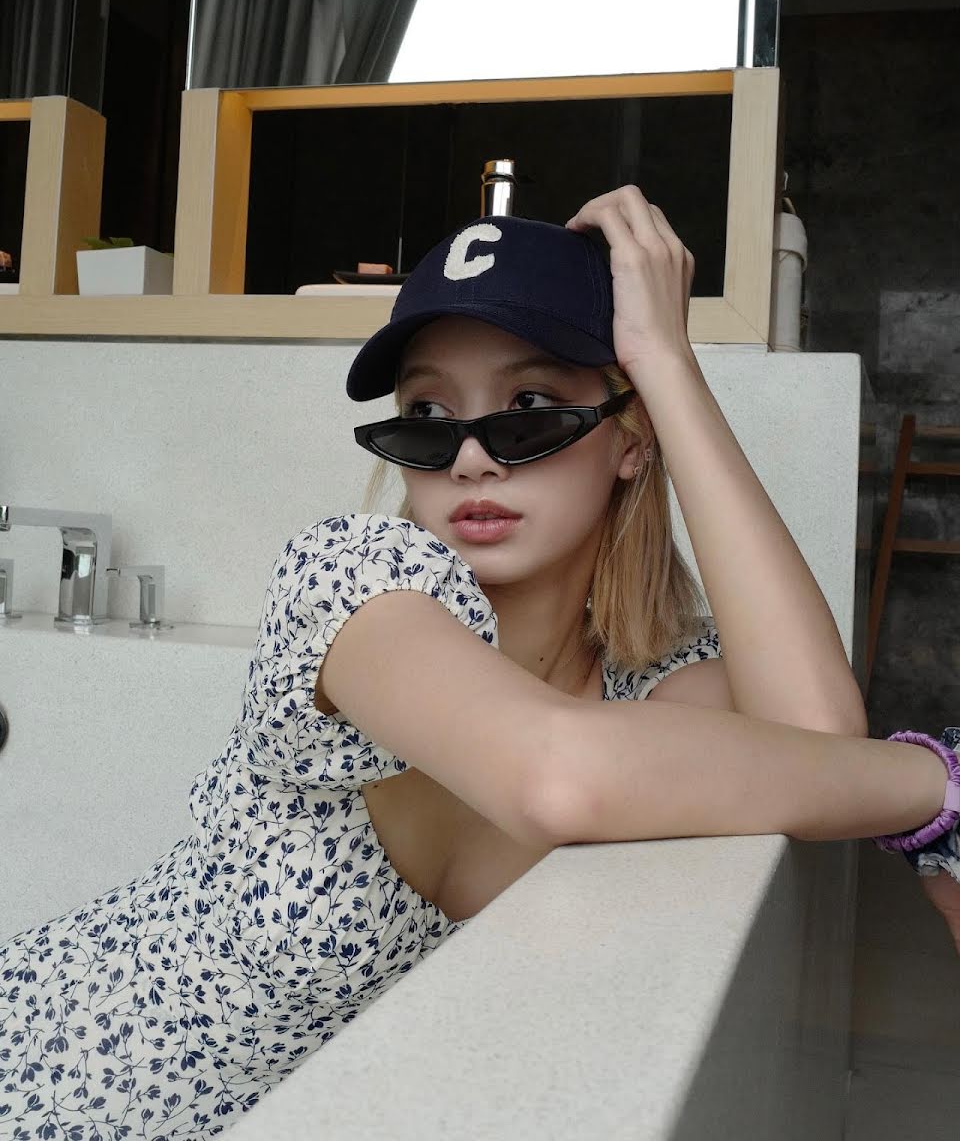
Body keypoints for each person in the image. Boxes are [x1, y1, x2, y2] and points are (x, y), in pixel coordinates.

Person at [1, 185, 958, 1139]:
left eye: (528, 407)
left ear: (630, 439)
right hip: (56, 1068)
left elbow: (819, 744)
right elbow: (556, 775)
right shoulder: (351, 586)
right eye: (427, 412)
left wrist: (670, 370)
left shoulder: (644, 681)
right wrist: (942, 782)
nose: (469, 459)